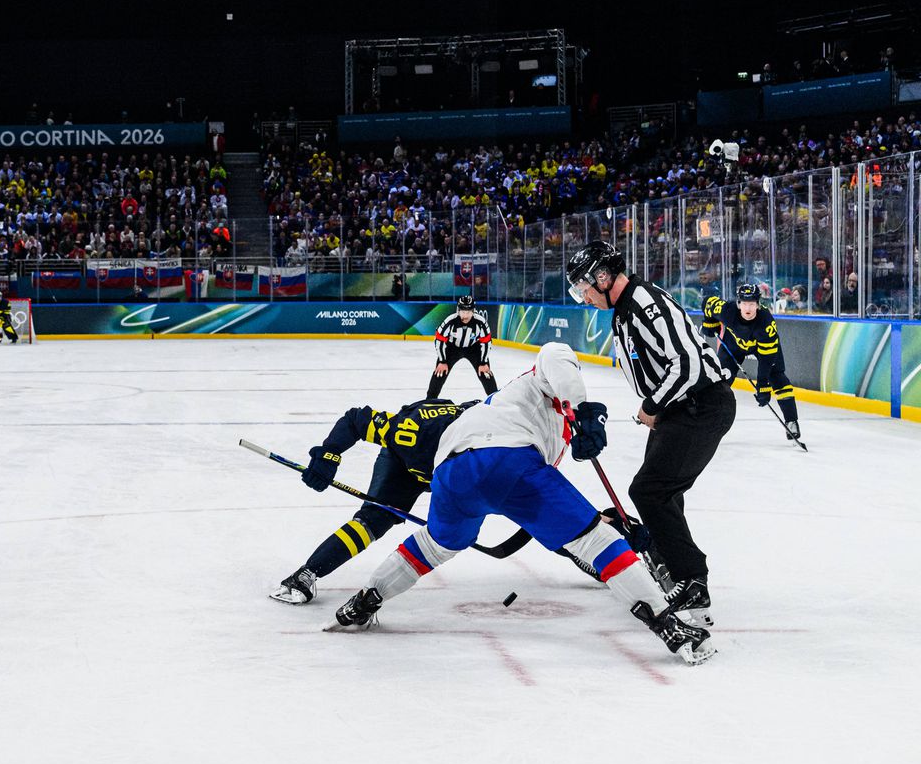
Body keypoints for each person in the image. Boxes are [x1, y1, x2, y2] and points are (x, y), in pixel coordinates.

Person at [329, 344, 713, 665]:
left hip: (450, 472)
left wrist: (600, 523)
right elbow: (555, 353)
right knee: (596, 541)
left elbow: (542, 517)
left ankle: (364, 602)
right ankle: (669, 626)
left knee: (433, 545)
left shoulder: (536, 429)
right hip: (508, 459)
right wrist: (584, 411)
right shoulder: (535, 385)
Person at [567, 239, 734, 618]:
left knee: (650, 491)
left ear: (603, 277)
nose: (585, 297)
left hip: (701, 404)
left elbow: (688, 364)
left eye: (584, 287)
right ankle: (674, 569)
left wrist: (652, 405)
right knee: (662, 493)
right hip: (680, 408)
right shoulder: (624, 310)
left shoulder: (645, 302)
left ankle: (692, 579)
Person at [272, 396, 468, 605]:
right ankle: (305, 574)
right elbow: (355, 420)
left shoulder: (486, 442)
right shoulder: (409, 432)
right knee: (374, 520)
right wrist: (329, 454)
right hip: (403, 464)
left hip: (447, 468)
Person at [718, 282, 802, 443]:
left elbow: (766, 361)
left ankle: (791, 421)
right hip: (734, 346)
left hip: (762, 347)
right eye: (744, 303)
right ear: (738, 303)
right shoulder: (727, 310)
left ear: (758, 304)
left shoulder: (766, 323)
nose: (748, 308)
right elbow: (707, 304)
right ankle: (709, 421)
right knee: (721, 379)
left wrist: (762, 385)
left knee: (778, 378)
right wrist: (709, 323)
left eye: (751, 304)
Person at [428, 295, 497, 399]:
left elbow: (486, 342)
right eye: (463, 312)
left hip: (474, 349)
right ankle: (430, 400)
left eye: (468, 312)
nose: (465, 315)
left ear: (473, 311)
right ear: (458, 310)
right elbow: (440, 340)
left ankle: (495, 399)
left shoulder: (481, 322)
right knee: (440, 372)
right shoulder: (450, 321)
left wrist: (483, 362)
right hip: (452, 349)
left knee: (485, 372)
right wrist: (442, 361)